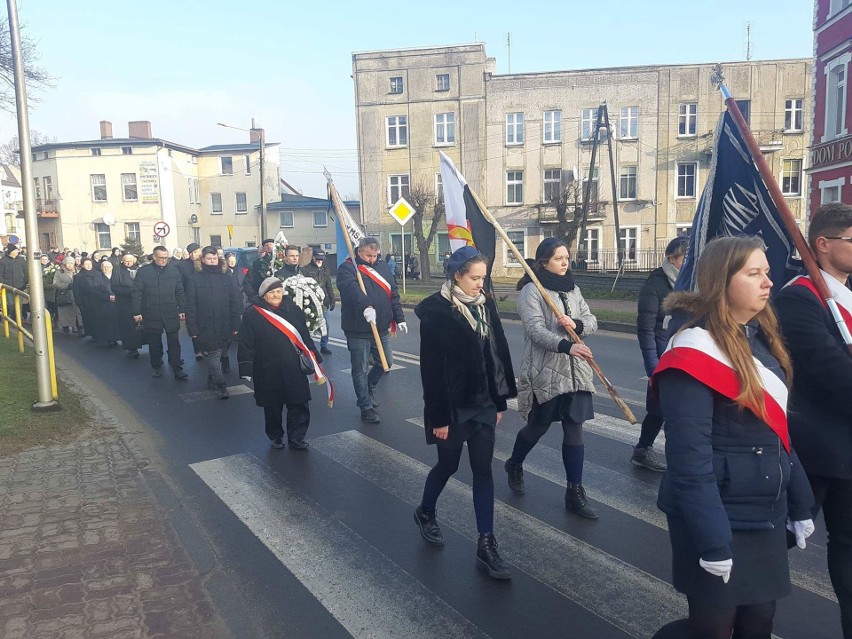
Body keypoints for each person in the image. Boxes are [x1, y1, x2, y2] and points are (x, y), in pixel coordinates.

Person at [652, 236, 814, 639]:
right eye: (754, 273)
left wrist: (800, 500)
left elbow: (778, 434)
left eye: (767, 273)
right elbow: (689, 459)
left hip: (763, 511)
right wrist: (712, 539)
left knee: (759, 620)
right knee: (713, 627)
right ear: (721, 281)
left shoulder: (760, 337)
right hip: (715, 513)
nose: (767, 283)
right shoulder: (692, 349)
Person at [413, 246, 517, 580]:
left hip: (483, 404)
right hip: (452, 407)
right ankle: (425, 511)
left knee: (483, 470)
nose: (480, 285)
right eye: (474, 278)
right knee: (448, 464)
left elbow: (496, 355)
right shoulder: (436, 312)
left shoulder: (485, 305)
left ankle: (486, 543)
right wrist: (440, 418)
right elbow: (431, 370)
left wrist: (499, 401)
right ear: (457, 274)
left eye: (483, 278)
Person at [774, 202, 852, 638]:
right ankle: (724, 606)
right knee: (779, 537)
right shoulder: (799, 297)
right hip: (816, 451)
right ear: (823, 244)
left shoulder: (849, 297)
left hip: (850, 450)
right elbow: (829, 371)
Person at [504, 237, 600, 519]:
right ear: (543, 262)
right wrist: (567, 344)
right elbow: (534, 330)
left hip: (577, 371)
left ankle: (575, 491)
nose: (565, 263)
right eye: (559, 259)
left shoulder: (573, 289)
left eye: (567, 258)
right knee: (538, 427)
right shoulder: (532, 291)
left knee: (574, 428)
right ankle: (515, 462)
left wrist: (578, 324)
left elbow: (591, 320)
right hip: (546, 370)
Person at [238, 277, 320, 449]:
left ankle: (297, 437)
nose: (276, 295)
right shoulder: (252, 314)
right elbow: (246, 342)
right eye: (271, 292)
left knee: (299, 402)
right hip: (266, 367)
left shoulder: (294, 310)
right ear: (263, 295)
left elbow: (304, 335)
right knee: (272, 405)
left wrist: (313, 355)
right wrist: (246, 366)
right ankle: (275, 435)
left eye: (278, 291)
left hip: (293, 366)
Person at [630, 237, 688, 472]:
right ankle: (643, 450)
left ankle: (683, 455)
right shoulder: (655, 285)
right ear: (671, 258)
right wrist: (653, 367)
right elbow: (645, 330)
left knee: (683, 410)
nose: (688, 262)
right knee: (659, 409)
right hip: (663, 356)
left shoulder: (692, 283)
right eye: (684, 258)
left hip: (686, 354)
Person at [336, 237, 406, 423]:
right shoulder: (348, 268)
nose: (372, 259)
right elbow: (350, 289)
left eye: (375, 255)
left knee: (386, 363)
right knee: (360, 368)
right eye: (368, 255)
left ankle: (369, 386)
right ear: (359, 251)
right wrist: (366, 305)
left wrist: (399, 317)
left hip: (381, 327)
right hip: (358, 328)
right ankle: (365, 406)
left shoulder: (382, 267)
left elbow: (393, 292)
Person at [186, 247, 242, 399]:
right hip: (205, 325)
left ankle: (212, 377)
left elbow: (235, 301)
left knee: (221, 352)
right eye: (209, 259)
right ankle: (221, 385)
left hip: (225, 323)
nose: (212, 261)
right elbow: (190, 306)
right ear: (203, 260)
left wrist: (236, 324)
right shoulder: (194, 279)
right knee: (214, 354)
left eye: (214, 258)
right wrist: (193, 328)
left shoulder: (226, 278)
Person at [132, 245, 188, 380]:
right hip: (151, 312)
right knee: (154, 342)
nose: (164, 260)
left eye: (166, 258)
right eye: (161, 258)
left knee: (174, 342)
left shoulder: (173, 271)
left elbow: (180, 291)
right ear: (154, 257)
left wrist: (182, 309)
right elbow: (137, 292)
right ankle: (156, 366)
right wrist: (137, 311)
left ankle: (177, 367)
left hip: (170, 311)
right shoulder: (144, 272)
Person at [302, 248, 335, 355]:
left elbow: (329, 285)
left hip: (323, 302)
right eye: (318, 259)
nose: (319, 261)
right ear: (313, 258)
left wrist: (332, 299)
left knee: (325, 325)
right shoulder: (305, 269)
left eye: (322, 259)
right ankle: (308, 346)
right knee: (309, 325)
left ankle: (324, 346)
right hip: (310, 302)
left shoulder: (326, 270)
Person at [112, 253, 142, 358]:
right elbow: (114, 287)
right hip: (125, 303)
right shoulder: (117, 271)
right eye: (126, 261)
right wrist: (130, 291)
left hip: (138, 301)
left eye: (130, 261)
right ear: (122, 261)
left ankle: (141, 343)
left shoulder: (139, 269)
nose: (129, 263)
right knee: (128, 327)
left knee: (140, 325)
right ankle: (131, 347)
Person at [91, 261, 119, 347]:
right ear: (101, 268)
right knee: (108, 322)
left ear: (112, 267)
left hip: (117, 302)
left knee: (117, 321)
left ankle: (117, 337)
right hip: (104, 303)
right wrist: (108, 297)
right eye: (104, 267)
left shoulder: (116, 276)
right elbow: (95, 291)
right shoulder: (97, 277)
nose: (106, 268)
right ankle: (110, 339)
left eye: (108, 267)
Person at [53, 256, 82, 335]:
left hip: (76, 295)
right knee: (65, 312)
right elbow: (56, 283)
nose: (70, 265)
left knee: (77, 312)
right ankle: (65, 328)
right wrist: (67, 285)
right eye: (68, 263)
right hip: (65, 295)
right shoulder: (59, 272)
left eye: (71, 263)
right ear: (64, 263)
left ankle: (79, 328)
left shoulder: (77, 271)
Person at [72, 257, 97, 338]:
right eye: (86, 264)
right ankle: (92, 333)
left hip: (97, 299)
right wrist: (78, 301)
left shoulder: (98, 274)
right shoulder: (78, 276)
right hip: (85, 300)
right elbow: (76, 290)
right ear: (82, 265)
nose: (89, 266)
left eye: (90, 264)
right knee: (88, 318)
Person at [0, 244, 27, 311]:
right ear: (12, 251)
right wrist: (2, 283)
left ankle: (19, 320)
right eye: (16, 250)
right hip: (8, 287)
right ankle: (12, 319)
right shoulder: (3, 260)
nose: (18, 251)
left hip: (20, 286)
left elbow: (26, 271)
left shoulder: (21, 259)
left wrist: (25, 282)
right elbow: (0, 273)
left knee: (19, 305)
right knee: (11, 305)